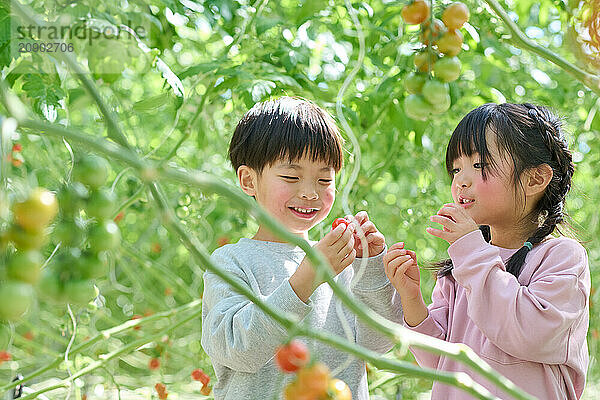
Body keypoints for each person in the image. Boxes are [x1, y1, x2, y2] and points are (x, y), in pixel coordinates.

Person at [383, 103, 590, 399]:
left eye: (479, 165)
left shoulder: (561, 257)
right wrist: (411, 298)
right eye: (456, 168)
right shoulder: (462, 266)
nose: (461, 180)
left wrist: (469, 251)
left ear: (535, 179)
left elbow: (528, 334)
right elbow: (437, 362)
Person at [201, 97, 403, 400]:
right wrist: (306, 278)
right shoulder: (231, 262)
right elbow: (238, 350)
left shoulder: (341, 261)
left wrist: (370, 265)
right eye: (291, 177)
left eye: (324, 179)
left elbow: (380, 342)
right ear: (248, 181)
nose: (310, 192)